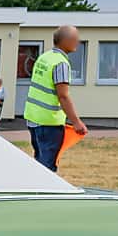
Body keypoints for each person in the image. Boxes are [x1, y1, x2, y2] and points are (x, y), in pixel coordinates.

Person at [23, 23, 87, 171]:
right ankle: (42, 192)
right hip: (48, 123)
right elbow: (63, 96)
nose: (77, 42)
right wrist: (76, 122)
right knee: (47, 167)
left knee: (39, 163)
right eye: (75, 39)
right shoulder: (61, 64)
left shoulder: (44, 57)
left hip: (34, 119)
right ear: (65, 41)